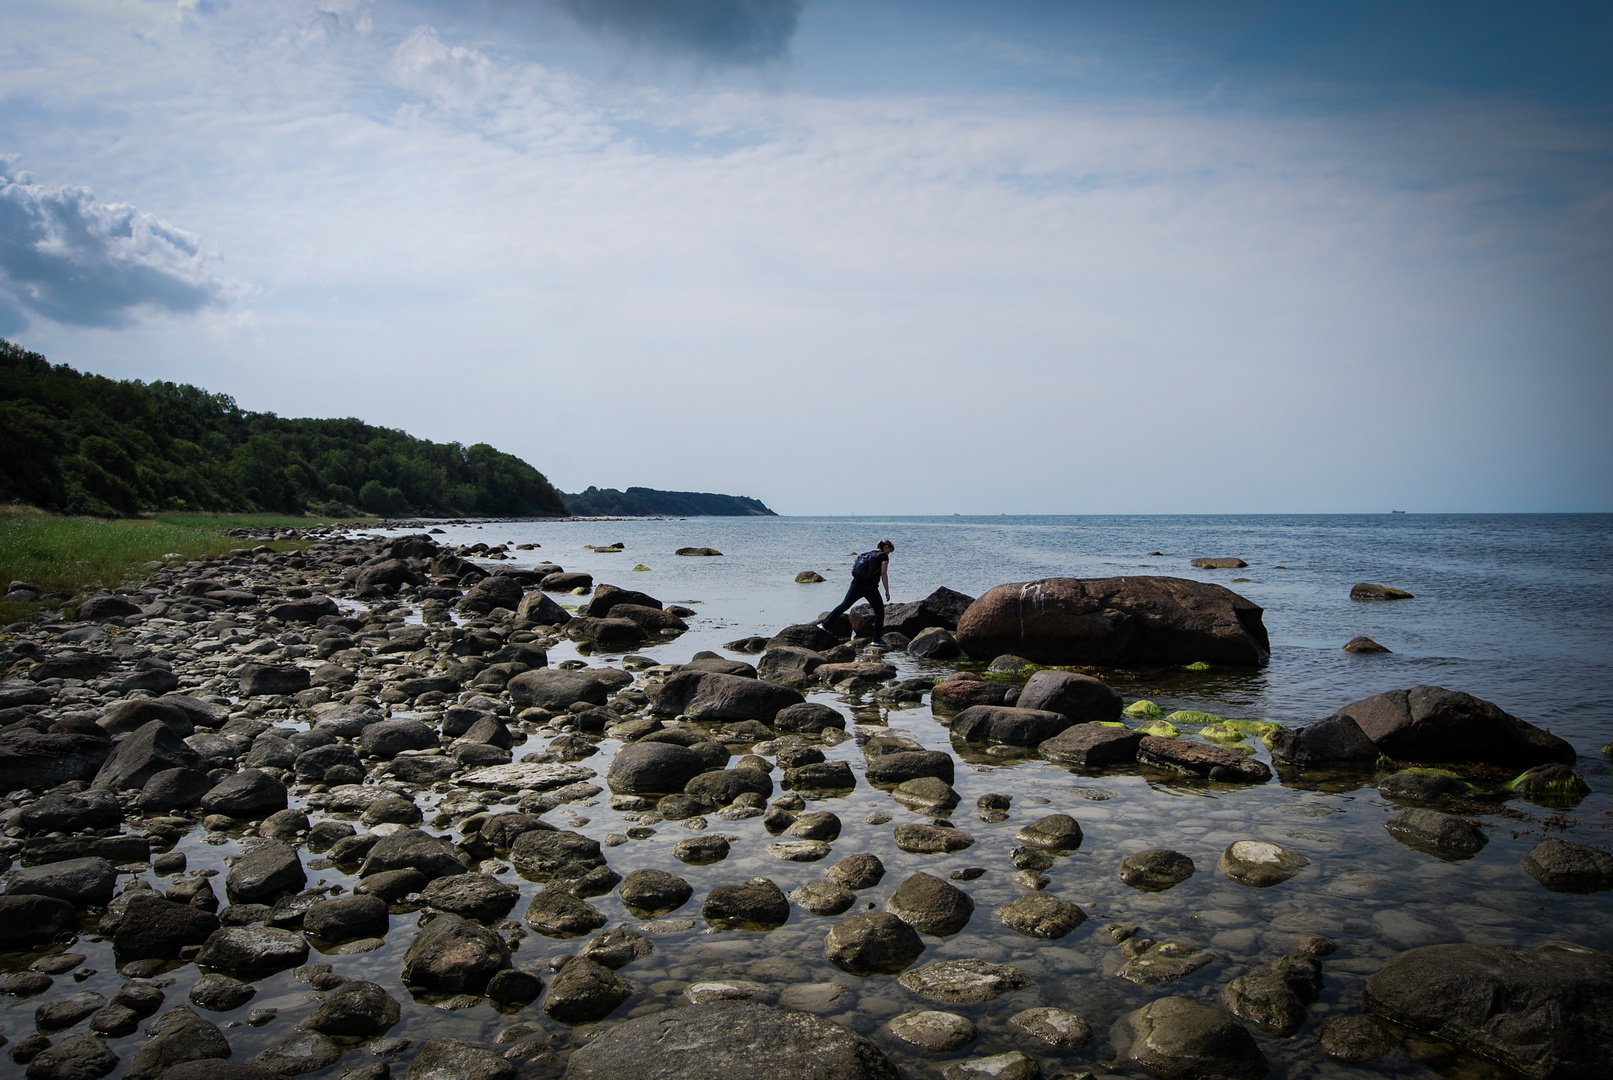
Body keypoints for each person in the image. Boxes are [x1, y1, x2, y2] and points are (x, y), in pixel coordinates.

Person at [820, 539, 894, 645]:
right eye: (889, 551)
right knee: (880, 613)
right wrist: (887, 590)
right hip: (870, 588)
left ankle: (824, 624)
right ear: (886, 547)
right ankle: (876, 640)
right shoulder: (883, 556)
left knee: (844, 605)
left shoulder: (866, 554)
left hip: (855, 584)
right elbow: (883, 573)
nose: (888, 553)